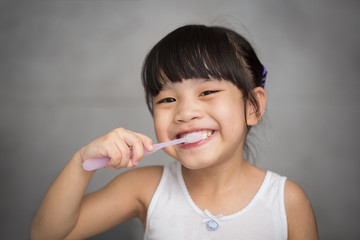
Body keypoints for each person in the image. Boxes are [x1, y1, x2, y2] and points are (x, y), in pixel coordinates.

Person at [31, 24, 319, 240]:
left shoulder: (287, 201)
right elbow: (47, 235)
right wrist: (83, 161)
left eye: (207, 91)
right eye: (167, 99)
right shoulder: (143, 188)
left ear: (253, 107)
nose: (185, 113)